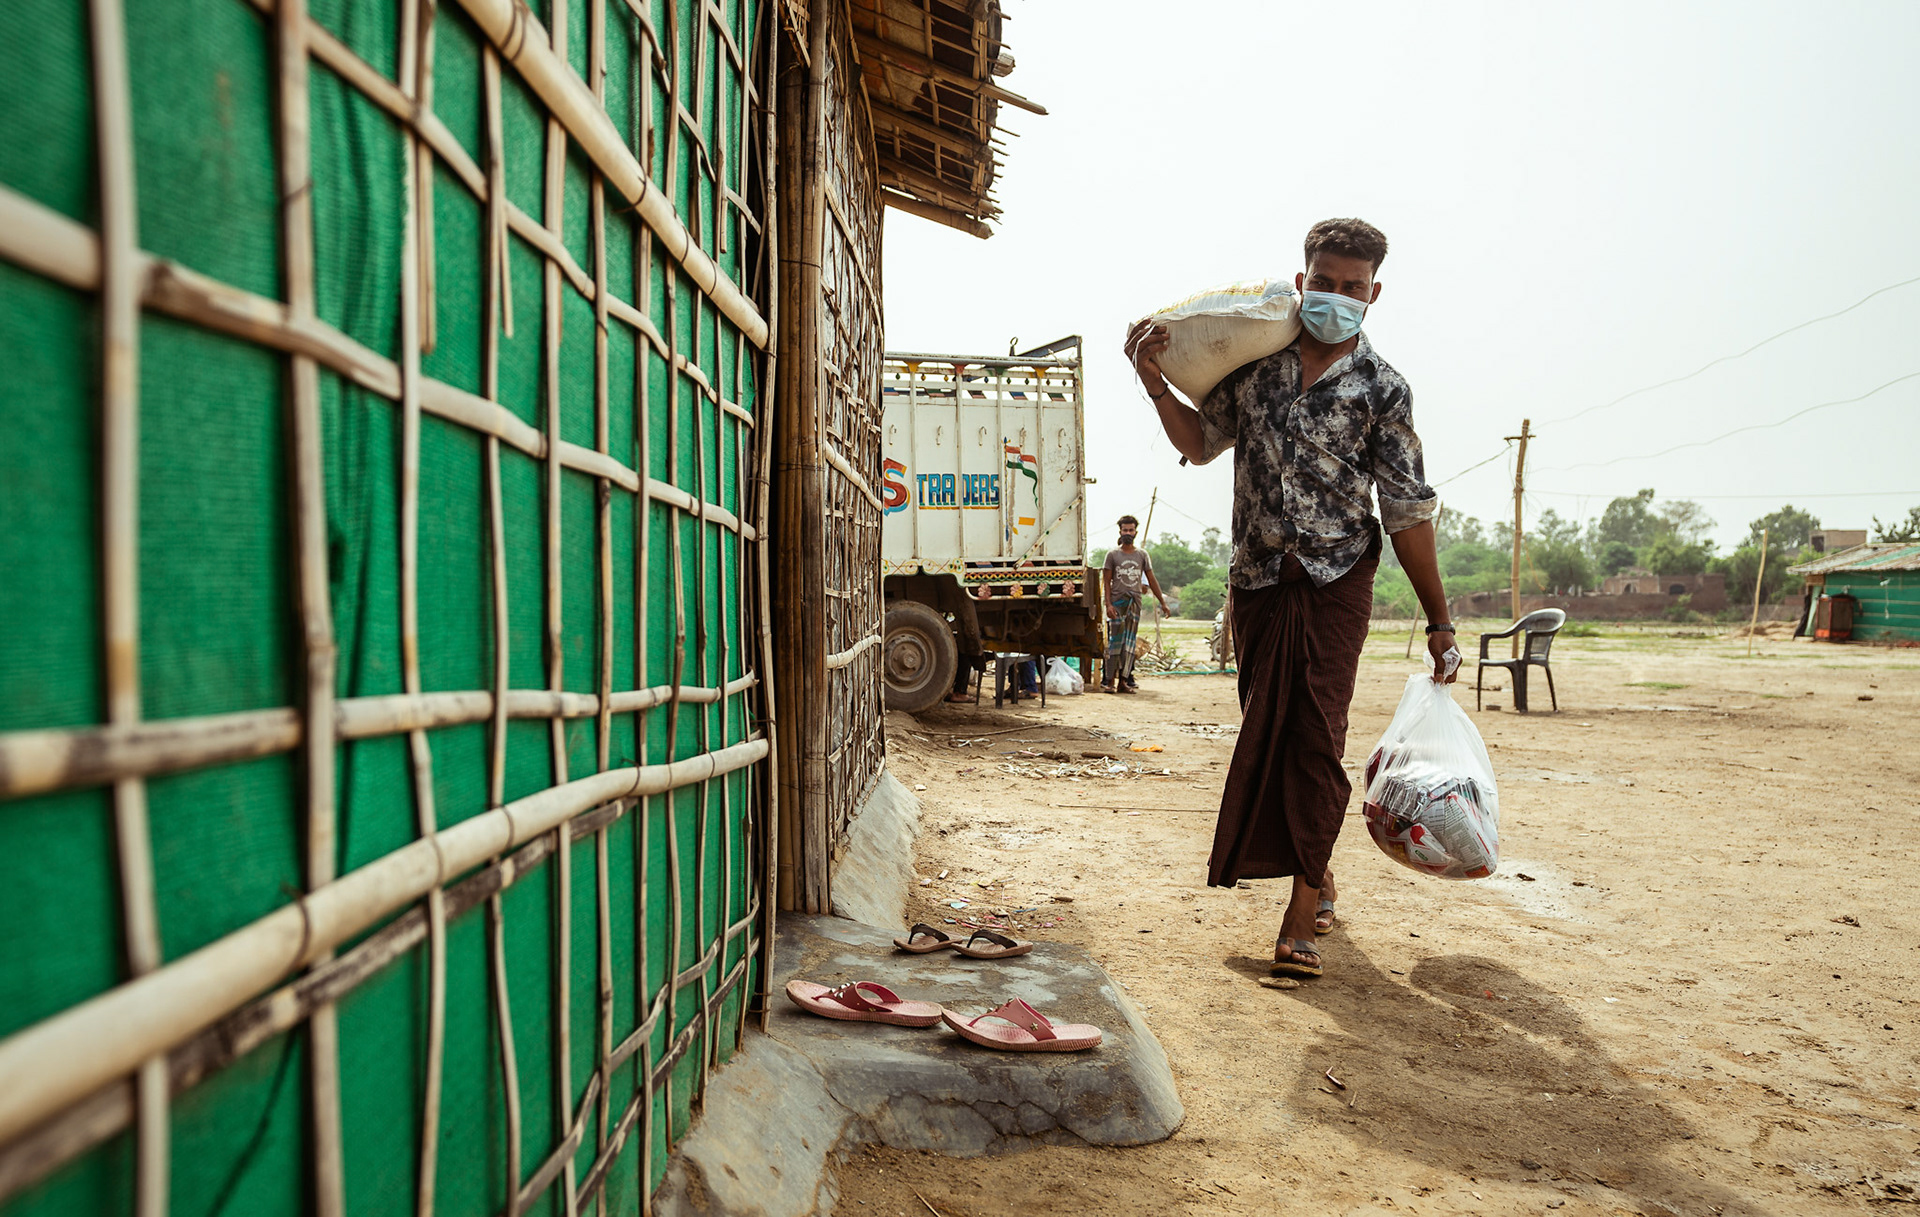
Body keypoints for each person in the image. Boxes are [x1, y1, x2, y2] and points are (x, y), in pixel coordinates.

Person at [1123, 217, 1459, 980]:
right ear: (1302, 280)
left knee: (1315, 737)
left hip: (1337, 584)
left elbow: (1407, 511)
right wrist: (1152, 382)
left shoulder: (1383, 388)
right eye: (1325, 281)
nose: (1336, 296)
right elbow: (1199, 443)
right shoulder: (1258, 372)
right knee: (1267, 730)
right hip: (1259, 584)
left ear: (1374, 294)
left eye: (1353, 287)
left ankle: (1301, 910)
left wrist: (1440, 620)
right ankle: (1322, 867)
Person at [1101, 516, 1170, 693]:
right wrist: (1108, 604)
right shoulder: (1112, 555)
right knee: (1114, 642)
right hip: (1117, 604)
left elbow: (1152, 579)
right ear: (1120, 532)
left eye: (1131, 530)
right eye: (1125, 530)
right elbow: (1106, 581)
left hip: (1134, 604)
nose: (1128, 533)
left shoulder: (1142, 555)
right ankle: (1109, 681)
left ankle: (1123, 681)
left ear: (1135, 532)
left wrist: (1162, 602)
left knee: (1129, 644)